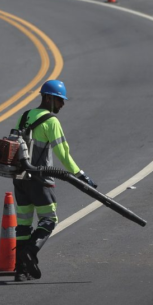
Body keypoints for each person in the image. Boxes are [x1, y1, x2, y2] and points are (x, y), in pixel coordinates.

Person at [12, 79, 97, 282]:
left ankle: (20, 270)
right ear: (49, 98)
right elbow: (63, 153)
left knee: (24, 224)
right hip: (40, 180)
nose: (62, 104)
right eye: (59, 100)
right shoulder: (51, 121)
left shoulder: (25, 116)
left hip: (20, 179)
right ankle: (30, 252)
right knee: (49, 219)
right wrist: (80, 175)